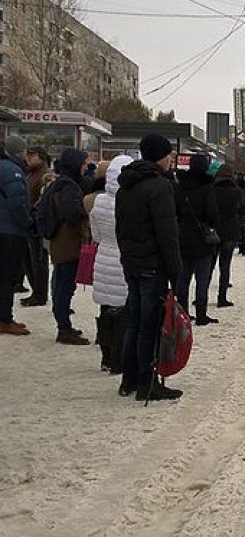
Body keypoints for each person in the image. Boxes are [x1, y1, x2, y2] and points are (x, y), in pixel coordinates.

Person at [116, 133, 183, 401]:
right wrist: (175, 268)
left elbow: (121, 228)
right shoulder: (159, 187)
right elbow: (167, 233)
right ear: (161, 157)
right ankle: (147, 382)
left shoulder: (126, 185)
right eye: (169, 156)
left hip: (132, 263)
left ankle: (128, 378)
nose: (171, 161)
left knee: (134, 321)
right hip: (153, 265)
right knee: (150, 324)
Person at [91, 155, 133, 373]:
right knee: (125, 311)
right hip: (123, 258)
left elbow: (95, 235)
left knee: (105, 308)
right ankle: (120, 356)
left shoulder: (98, 201)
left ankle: (106, 355)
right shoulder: (131, 201)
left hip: (103, 257)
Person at [49, 147, 90, 345]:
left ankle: (63, 323)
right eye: (82, 163)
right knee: (65, 285)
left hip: (59, 241)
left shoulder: (59, 183)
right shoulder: (70, 187)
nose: (85, 167)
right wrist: (85, 211)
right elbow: (73, 213)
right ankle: (63, 327)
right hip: (69, 242)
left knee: (60, 282)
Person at [176, 154, 219, 325]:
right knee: (202, 280)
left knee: (183, 280)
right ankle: (201, 314)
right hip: (202, 240)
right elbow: (213, 214)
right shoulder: (207, 187)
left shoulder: (180, 186)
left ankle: (182, 314)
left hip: (182, 239)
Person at [0, 136, 33, 336]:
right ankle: (4, 319)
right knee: (7, 277)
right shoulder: (13, 171)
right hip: (10, 232)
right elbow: (17, 204)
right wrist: (28, 223)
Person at [20, 145, 53, 307]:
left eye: (32, 156)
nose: (28, 158)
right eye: (28, 156)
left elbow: (44, 200)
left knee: (38, 260)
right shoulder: (30, 174)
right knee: (28, 259)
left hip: (38, 224)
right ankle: (35, 291)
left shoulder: (46, 175)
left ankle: (40, 294)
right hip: (28, 222)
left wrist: (34, 215)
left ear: (41, 157)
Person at [211, 164, 241, 307]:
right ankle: (222, 297)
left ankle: (201, 296)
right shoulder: (236, 191)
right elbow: (239, 209)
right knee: (225, 266)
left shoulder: (212, 190)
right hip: (229, 232)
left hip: (214, 232)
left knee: (208, 266)